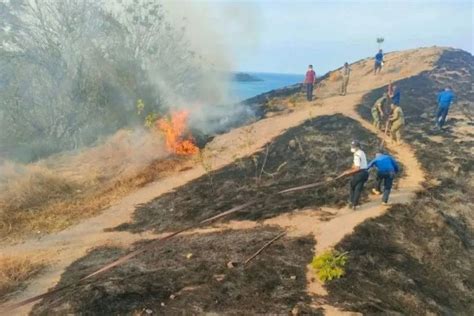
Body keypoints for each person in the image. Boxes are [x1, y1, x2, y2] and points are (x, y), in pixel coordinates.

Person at [341, 140, 368, 210]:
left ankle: (351, 202)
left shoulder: (356, 155)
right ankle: (354, 205)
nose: (352, 148)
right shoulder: (362, 152)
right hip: (365, 173)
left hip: (359, 173)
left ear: (357, 147)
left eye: (353, 146)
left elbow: (357, 168)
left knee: (352, 186)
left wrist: (348, 173)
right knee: (358, 189)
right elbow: (355, 165)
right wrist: (349, 169)